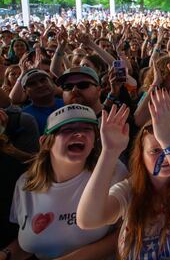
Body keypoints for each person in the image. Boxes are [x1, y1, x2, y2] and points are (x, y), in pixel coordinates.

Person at [77, 89, 170, 259]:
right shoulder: (129, 189)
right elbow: (87, 220)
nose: (165, 157)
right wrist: (109, 152)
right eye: (155, 150)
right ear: (141, 156)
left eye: (169, 149)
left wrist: (168, 138)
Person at [2, 104, 128, 260]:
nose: (79, 134)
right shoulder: (25, 183)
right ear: (45, 142)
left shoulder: (112, 170)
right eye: (67, 129)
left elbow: (124, 233)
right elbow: (31, 243)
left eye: (87, 129)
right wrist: (6, 254)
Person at [19, 69, 63, 135]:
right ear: (25, 91)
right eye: (32, 84)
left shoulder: (68, 103)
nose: (40, 85)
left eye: (43, 80)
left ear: (52, 83)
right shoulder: (24, 116)